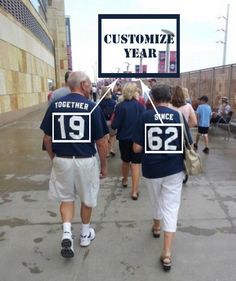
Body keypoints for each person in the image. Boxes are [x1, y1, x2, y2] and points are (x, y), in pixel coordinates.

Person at [40, 71, 108, 258]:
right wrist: (104, 166)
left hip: (62, 159)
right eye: (89, 84)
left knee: (66, 198)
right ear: (84, 84)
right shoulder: (92, 107)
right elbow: (101, 142)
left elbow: (47, 138)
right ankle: (85, 234)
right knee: (87, 197)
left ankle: (67, 232)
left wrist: (53, 158)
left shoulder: (55, 105)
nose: (90, 87)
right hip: (85, 160)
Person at [133, 84, 192, 271]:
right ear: (168, 98)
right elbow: (188, 143)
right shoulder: (178, 116)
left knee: (156, 200)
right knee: (171, 206)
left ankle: (156, 227)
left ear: (153, 98)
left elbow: (136, 148)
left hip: (151, 169)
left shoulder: (145, 116)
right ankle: (166, 253)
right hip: (174, 169)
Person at [111, 82, 145, 200]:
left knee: (125, 161)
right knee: (136, 165)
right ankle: (134, 191)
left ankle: (125, 180)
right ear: (135, 92)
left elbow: (115, 125)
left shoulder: (120, 106)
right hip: (138, 140)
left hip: (124, 139)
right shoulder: (141, 107)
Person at [99, 86, 117, 156]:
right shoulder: (113, 102)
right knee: (112, 136)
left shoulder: (100, 102)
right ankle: (111, 149)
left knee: (105, 137)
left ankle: (106, 152)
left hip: (103, 122)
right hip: (112, 121)